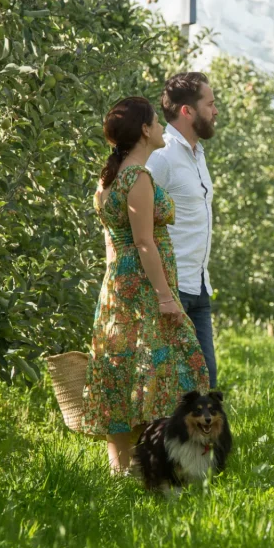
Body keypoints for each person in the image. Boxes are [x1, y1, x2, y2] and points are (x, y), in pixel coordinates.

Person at [82, 96, 210, 474]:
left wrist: (114, 288)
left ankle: (122, 470)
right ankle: (162, 465)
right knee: (167, 367)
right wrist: (166, 297)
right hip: (142, 286)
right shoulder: (137, 178)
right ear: (143, 131)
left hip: (118, 285)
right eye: (156, 123)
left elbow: (112, 245)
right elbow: (143, 243)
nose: (160, 129)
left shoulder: (106, 182)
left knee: (123, 370)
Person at [146, 72, 219, 388]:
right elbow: (135, 217)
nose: (216, 111)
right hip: (171, 290)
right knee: (169, 390)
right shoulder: (161, 156)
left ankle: (197, 441)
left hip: (199, 287)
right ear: (187, 111)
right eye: (210, 104)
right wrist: (162, 293)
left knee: (205, 386)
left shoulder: (198, 153)